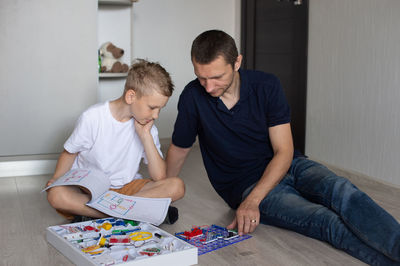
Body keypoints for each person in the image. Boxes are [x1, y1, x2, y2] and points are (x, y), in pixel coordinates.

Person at [166, 30, 400, 265]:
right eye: (201, 77)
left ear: (237, 62)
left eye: (216, 77)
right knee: (325, 220)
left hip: (291, 165)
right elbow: (180, 149)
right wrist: (160, 195)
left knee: (342, 190)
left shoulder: (266, 85)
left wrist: (253, 202)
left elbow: (284, 151)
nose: (208, 87)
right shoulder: (192, 96)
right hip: (244, 185)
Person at [47, 59, 184, 224]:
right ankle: (133, 212)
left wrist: (146, 136)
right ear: (131, 96)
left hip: (127, 190)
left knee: (177, 186)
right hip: (90, 190)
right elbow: (69, 152)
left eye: (160, 109)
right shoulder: (93, 117)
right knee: (56, 195)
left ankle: (103, 214)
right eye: (152, 107)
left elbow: (160, 177)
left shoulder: (147, 127)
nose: (156, 115)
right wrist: (57, 179)